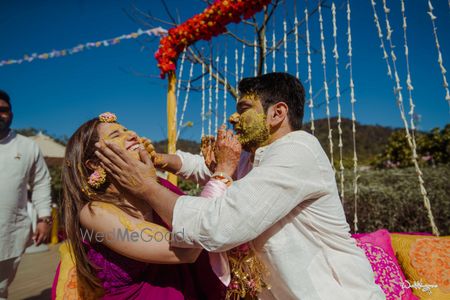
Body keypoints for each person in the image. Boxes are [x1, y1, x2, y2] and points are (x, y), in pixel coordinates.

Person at [95, 73, 385, 299]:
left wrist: (146, 186)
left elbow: (219, 226)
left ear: (277, 113)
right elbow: (204, 168)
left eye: (243, 108)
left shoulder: (298, 151)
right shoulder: (253, 155)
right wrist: (158, 159)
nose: (233, 117)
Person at [60, 113, 224, 299]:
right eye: (116, 135)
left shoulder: (158, 188)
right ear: (94, 163)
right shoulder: (94, 213)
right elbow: (187, 250)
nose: (132, 134)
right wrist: (222, 174)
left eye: (126, 130)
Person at [0, 90, 53, 300]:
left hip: (9, 233)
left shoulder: (28, 146)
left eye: (3, 110)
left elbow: (41, 183)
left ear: (11, 114)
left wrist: (44, 217)